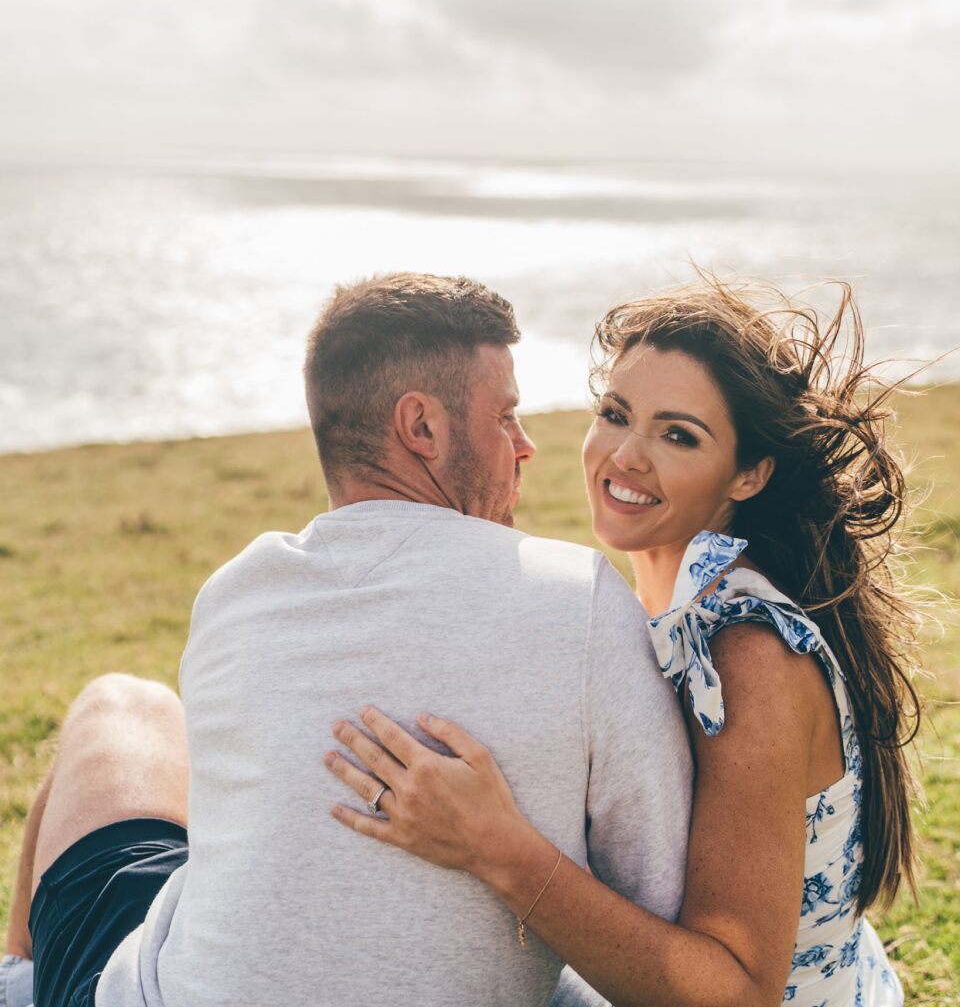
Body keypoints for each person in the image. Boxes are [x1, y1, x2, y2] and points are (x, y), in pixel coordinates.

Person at [4, 273, 693, 1007]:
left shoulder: (238, 590)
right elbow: (659, 916)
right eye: (506, 417)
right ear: (421, 426)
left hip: (161, 988)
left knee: (123, 703)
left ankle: (20, 974)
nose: (525, 446)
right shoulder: (581, 599)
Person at [327, 276, 921, 1007]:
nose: (627, 456)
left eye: (678, 435)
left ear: (750, 473)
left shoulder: (746, 652)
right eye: (615, 414)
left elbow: (737, 993)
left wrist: (494, 846)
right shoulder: (669, 604)